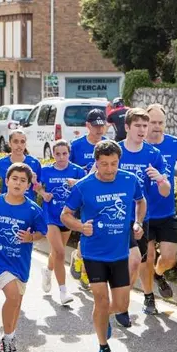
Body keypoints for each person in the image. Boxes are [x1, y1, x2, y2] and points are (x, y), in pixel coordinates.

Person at [61, 140, 146, 352]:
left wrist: (137, 223)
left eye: (114, 164)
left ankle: (102, 318)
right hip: (94, 252)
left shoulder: (130, 180)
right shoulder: (83, 186)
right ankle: (103, 347)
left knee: (121, 306)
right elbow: (66, 215)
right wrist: (80, 226)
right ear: (96, 163)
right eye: (104, 164)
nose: (109, 169)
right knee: (100, 299)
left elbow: (141, 201)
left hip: (119, 253)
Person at [0, 163, 48, 352]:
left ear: (28, 186)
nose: (18, 183)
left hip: (21, 261)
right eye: (14, 178)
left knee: (17, 303)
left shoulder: (34, 210)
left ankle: (10, 335)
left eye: (23, 180)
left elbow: (42, 232)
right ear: (6, 181)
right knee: (13, 296)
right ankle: (6, 340)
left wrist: (31, 238)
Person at [117, 107, 171, 316]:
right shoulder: (116, 151)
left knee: (134, 263)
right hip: (116, 217)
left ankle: (122, 305)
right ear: (127, 127)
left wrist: (160, 178)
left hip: (140, 218)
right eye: (137, 125)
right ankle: (118, 302)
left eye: (145, 126)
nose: (142, 129)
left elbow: (165, 191)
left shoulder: (153, 155)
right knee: (125, 261)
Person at [145, 103, 177, 299]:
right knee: (148, 257)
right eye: (152, 122)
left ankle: (158, 273)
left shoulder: (174, 144)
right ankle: (149, 298)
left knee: (170, 258)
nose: (156, 126)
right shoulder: (138, 145)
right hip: (144, 213)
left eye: (160, 122)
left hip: (166, 211)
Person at [38, 140, 86, 305]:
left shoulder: (77, 171)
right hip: (50, 216)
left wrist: (77, 183)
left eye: (64, 153)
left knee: (56, 252)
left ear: (69, 153)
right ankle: (63, 291)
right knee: (59, 252)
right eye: (57, 154)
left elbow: (88, 187)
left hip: (67, 217)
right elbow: (34, 185)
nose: (61, 157)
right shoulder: (45, 170)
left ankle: (48, 270)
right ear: (53, 154)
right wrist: (43, 193)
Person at [68, 109, 108, 289]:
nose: (99, 130)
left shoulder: (110, 145)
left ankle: (80, 257)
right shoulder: (76, 145)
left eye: (102, 125)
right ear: (87, 126)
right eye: (95, 126)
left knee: (96, 232)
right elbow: (67, 168)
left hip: (103, 196)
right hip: (83, 195)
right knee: (87, 230)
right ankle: (85, 271)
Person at [0, 129, 42, 200]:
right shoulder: (1, 162)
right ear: (9, 144)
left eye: (22, 142)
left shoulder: (34, 163)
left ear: (25, 144)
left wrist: (35, 182)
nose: (19, 145)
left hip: (27, 207)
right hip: (6, 205)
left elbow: (40, 188)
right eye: (16, 141)